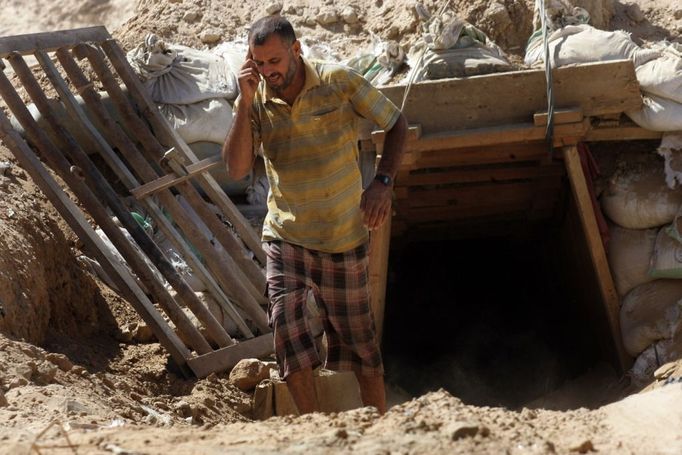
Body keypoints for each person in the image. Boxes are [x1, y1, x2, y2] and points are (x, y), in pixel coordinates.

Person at [222, 15, 407, 414]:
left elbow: (396, 123)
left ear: (297, 49)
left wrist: (383, 182)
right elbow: (236, 169)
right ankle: (314, 426)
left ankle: (382, 424)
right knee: (288, 330)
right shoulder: (255, 100)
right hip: (286, 236)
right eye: (260, 63)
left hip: (343, 237)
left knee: (361, 346)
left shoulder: (338, 81)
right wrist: (244, 103)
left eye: (275, 61)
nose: (269, 71)